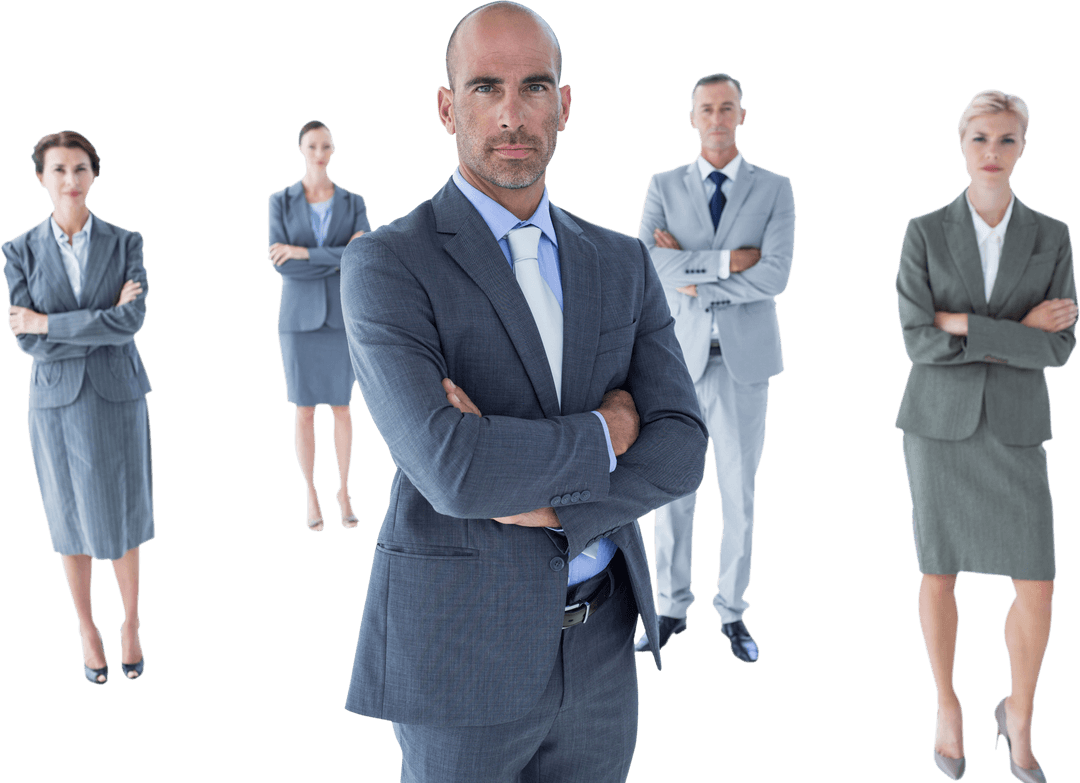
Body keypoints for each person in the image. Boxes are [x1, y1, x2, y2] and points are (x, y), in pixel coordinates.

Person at [339, 3, 707, 781]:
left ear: (564, 105)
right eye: (485, 87)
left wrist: (547, 504)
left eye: (534, 86)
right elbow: (453, 470)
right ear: (447, 108)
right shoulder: (387, 265)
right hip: (458, 654)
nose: (511, 114)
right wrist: (608, 433)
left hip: (604, 651)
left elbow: (682, 446)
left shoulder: (622, 262)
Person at [895, 89, 1075, 783]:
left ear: (1024, 145)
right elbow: (916, 339)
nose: (992, 152)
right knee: (938, 573)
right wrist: (1017, 332)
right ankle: (947, 706)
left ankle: (1020, 712)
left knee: (1037, 582)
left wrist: (962, 323)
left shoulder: (1053, 235)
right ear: (960, 143)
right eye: (980, 138)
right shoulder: (924, 232)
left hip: (1017, 426)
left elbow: (1059, 349)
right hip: (937, 426)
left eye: (1005, 139)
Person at [635, 72, 796, 662]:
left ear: (742, 115)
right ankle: (671, 606)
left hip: (744, 364)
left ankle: (732, 612)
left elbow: (776, 273)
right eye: (707, 108)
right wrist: (731, 262)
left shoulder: (775, 188)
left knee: (739, 492)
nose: (717, 117)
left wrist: (697, 276)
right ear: (693, 116)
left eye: (727, 107)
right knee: (671, 489)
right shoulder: (663, 185)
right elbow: (650, 264)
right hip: (678, 361)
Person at [3, 131, 153, 684]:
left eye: (80, 168)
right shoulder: (18, 251)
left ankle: (131, 624)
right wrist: (84, 322)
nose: (70, 179)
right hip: (55, 402)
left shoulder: (125, 243)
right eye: (59, 170)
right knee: (68, 518)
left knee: (124, 515)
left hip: (117, 393)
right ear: (41, 178)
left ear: (94, 173)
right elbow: (27, 341)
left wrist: (50, 321)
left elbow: (130, 322)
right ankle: (88, 630)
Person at [267, 121, 371, 531]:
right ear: (301, 149)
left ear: (333, 149)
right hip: (297, 320)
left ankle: (344, 490)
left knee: (343, 408)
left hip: (343, 317)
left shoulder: (353, 201)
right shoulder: (280, 200)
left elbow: (361, 255)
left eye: (325, 145)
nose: (319, 152)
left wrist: (304, 253)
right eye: (312, 145)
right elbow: (280, 263)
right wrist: (334, 255)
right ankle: (311, 493)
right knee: (304, 411)